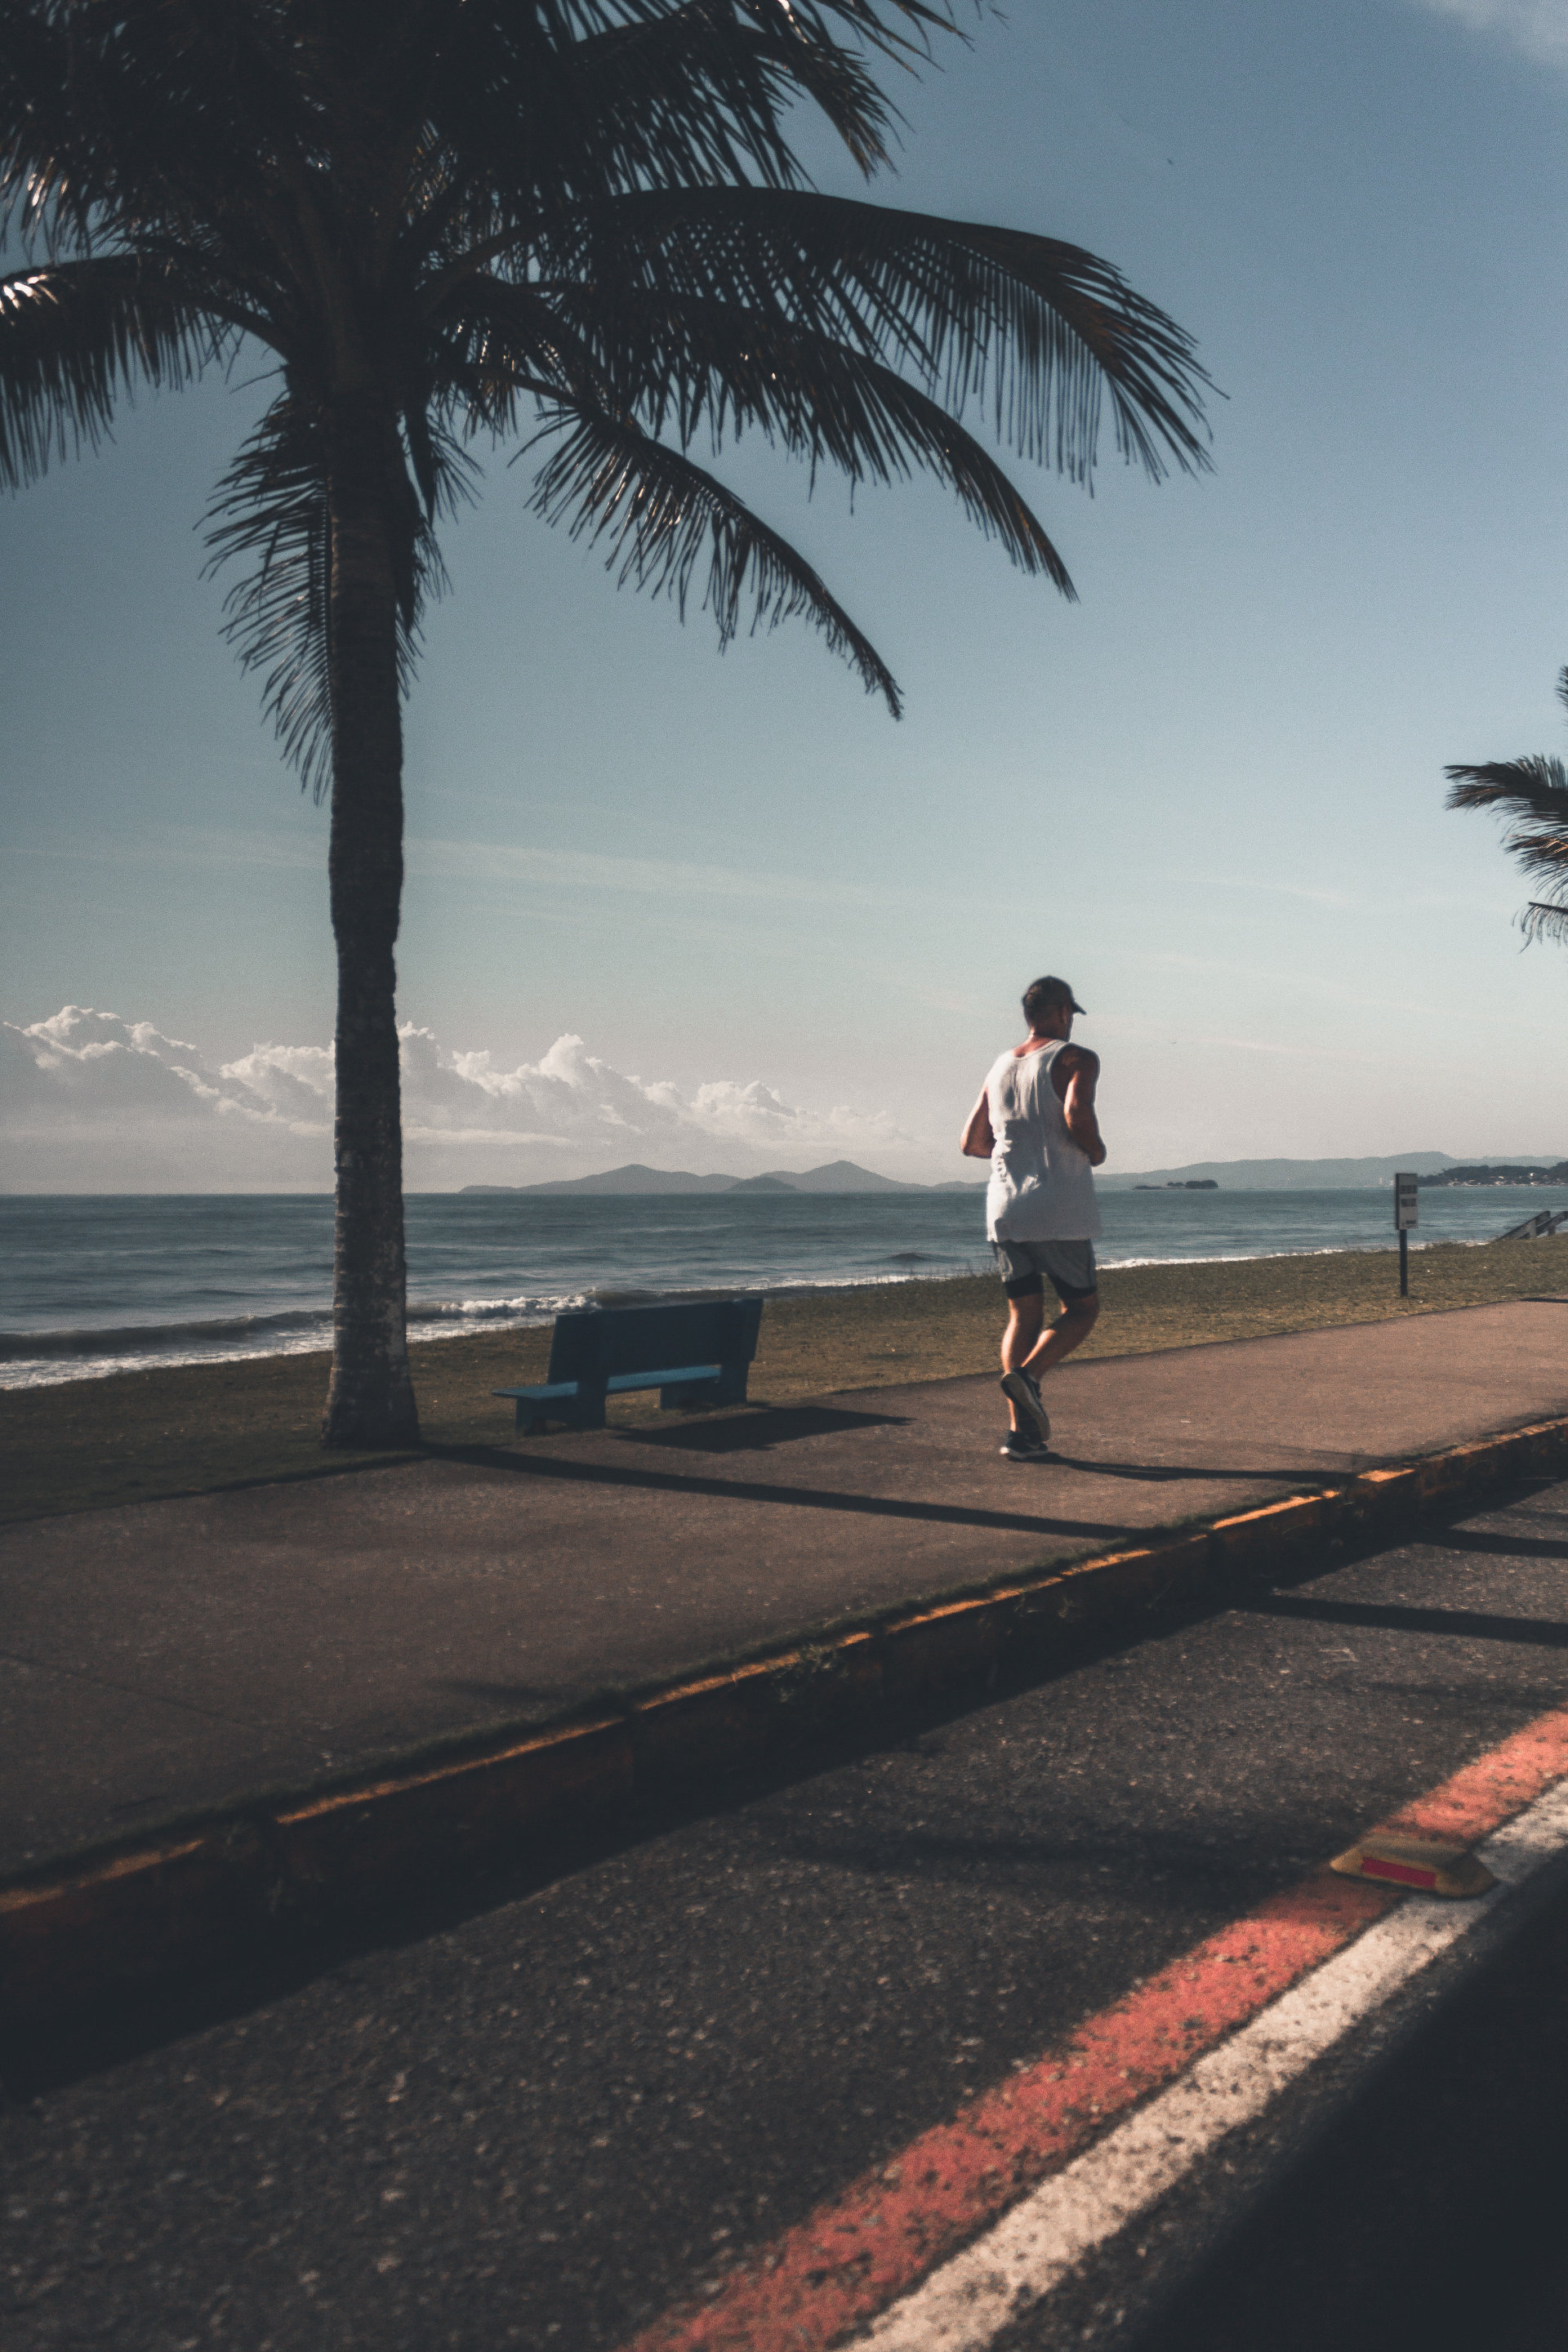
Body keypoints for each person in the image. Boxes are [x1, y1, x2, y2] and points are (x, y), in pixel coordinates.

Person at [960, 976, 1106, 1461]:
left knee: (1023, 1314)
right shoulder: (1075, 1058)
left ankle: (1021, 1436)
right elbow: (1076, 1114)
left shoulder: (999, 1066)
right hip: (1058, 1207)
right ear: (1063, 1011)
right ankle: (1028, 1377)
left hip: (1004, 1209)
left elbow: (972, 1143)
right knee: (1082, 1309)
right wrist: (1095, 1151)